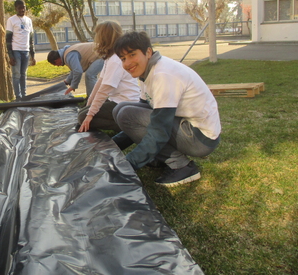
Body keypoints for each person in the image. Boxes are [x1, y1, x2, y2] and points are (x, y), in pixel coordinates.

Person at [112, 31, 221, 187]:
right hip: (184, 124)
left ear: (148, 52)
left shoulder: (162, 74)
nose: (127, 63)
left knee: (125, 114)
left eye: (132, 55)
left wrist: (126, 166)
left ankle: (182, 166)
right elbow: (141, 114)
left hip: (200, 138)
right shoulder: (146, 71)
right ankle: (157, 158)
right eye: (123, 59)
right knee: (121, 109)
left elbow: (159, 131)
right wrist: (111, 145)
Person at [77, 21, 141, 133]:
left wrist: (89, 115)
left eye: (97, 35)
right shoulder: (110, 57)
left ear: (103, 38)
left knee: (82, 117)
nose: (95, 38)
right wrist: (88, 105)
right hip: (117, 100)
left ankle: (127, 126)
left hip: (126, 103)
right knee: (83, 113)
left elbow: (104, 90)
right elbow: (100, 83)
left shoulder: (116, 60)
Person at [6, 0, 36, 99]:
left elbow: (31, 39)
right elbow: (8, 39)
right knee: (16, 74)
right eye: (20, 8)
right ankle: (18, 97)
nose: (22, 10)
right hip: (16, 50)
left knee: (24, 74)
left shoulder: (29, 21)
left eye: (23, 7)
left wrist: (33, 55)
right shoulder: (11, 20)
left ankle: (24, 95)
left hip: (26, 51)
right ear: (16, 9)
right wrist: (10, 55)